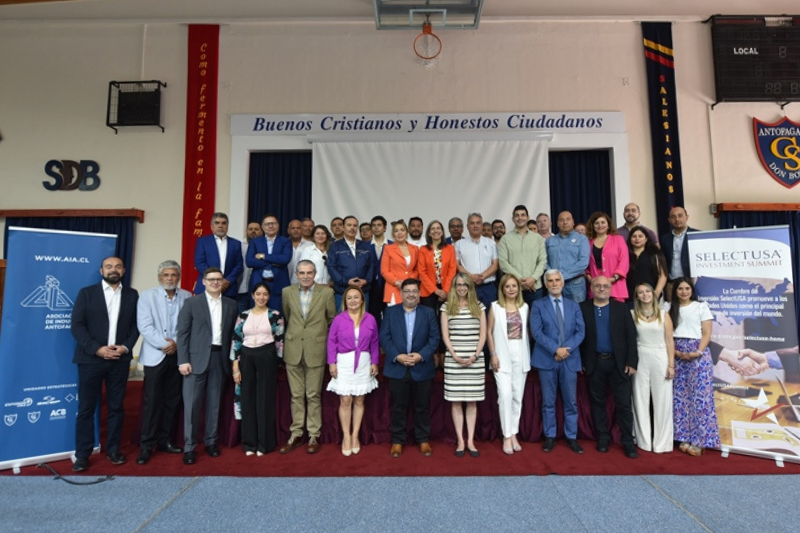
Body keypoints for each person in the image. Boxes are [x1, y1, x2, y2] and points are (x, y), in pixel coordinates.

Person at [70, 257, 139, 472]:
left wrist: (125, 347)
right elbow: (77, 325)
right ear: (101, 270)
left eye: (118, 266)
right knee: (86, 409)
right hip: (91, 359)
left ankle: (113, 450)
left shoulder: (132, 294)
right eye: (109, 266)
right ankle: (82, 454)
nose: (113, 270)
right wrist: (96, 349)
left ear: (124, 269)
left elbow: (136, 326)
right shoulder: (87, 293)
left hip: (118, 360)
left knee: (117, 408)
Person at [176, 267, 238, 465]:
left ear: (223, 282)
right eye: (211, 279)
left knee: (214, 403)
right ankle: (190, 447)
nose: (215, 282)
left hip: (220, 359)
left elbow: (233, 335)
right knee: (192, 406)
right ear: (203, 281)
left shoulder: (231, 304)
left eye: (218, 279)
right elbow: (183, 334)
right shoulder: (191, 303)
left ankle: (211, 442)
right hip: (195, 361)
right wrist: (183, 360)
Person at [136, 260, 192, 465]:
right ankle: (146, 445)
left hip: (177, 355)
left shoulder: (186, 296)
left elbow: (187, 324)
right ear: (160, 277)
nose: (170, 278)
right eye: (166, 275)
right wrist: (163, 344)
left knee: (172, 400)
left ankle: (165, 440)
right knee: (152, 402)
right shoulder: (147, 296)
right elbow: (144, 325)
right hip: (155, 355)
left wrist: (176, 344)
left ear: (178, 277)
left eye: (174, 275)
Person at [279, 260, 337, 455]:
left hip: (316, 349)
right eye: (302, 273)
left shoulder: (327, 293)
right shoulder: (287, 292)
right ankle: (295, 434)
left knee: (313, 395)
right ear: (296, 274)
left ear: (315, 274)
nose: (305, 276)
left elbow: (331, 320)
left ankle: (314, 434)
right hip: (293, 349)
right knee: (296, 395)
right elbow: (288, 316)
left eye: (309, 273)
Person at [580, 276, 639, 458]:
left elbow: (631, 337)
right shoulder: (583, 308)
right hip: (594, 362)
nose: (602, 288)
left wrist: (631, 362)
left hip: (619, 363)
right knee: (598, 403)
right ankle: (603, 438)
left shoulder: (621, 308)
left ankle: (628, 441)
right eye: (597, 285)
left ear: (611, 288)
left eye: (605, 286)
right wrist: (582, 361)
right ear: (591, 287)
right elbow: (580, 337)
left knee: (623, 405)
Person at [381, 278, 441, 458]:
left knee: (422, 406)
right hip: (397, 367)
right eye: (407, 291)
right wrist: (397, 356)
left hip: (421, 367)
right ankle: (397, 441)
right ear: (401, 293)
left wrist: (421, 355)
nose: (411, 294)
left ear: (419, 293)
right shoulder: (391, 312)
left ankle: (423, 439)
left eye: (414, 291)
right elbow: (384, 337)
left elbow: (434, 338)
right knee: (399, 407)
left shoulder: (428, 312)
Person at [530, 269, 585, 454]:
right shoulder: (538, 305)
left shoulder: (573, 305)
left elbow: (580, 331)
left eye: (557, 280)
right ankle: (550, 436)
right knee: (548, 402)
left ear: (562, 283)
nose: (554, 284)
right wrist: (555, 349)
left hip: (569, 359)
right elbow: (536, 332)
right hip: (547, 359)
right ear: (545, 284)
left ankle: (571, 437)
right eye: (550, 281)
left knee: (571, 402)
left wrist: (564, 350)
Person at [665, 277, 720, 456]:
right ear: (675, 291)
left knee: (700, 398)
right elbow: (665, 335)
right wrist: (677, 354)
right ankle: (683, 437)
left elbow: (707, 333)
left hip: (698, 353)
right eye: (680, 288)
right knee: (680, 397)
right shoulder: (667, 307)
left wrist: (698, 352)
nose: (683, 292)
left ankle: (700, 440)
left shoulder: (701, 307)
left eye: (687, 288)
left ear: (691, 290)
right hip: (676, 352)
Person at [231, 282, 285, 456]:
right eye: (258, 294)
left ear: (269, 297)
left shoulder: (275, 315)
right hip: (246, 357)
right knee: (247, 399)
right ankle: (249, 443)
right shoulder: (243, 316)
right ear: (252, 296)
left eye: (265, 294)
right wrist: (235, 366)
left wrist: (276, 363)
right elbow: (236, 340)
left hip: (267, 356)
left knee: (264, 400)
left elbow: (280, 341)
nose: (261, 297)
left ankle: (264, 444)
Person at [327, 287, 379, 456]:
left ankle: (355, 435)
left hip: (364, 362)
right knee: (345, 399)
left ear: (362, 300)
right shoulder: (338, 319)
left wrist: (375, 362)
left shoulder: (370, 319)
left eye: (356, 297)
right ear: (345, 301)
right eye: (349, 298)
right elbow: (331, 342)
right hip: (344, 362)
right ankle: (346, 436)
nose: (353, 300)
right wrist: (331, 363)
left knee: (359, 400)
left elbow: (375, 343)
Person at [440, 273, 487, 457]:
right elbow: (445, 335)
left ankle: (471, 441)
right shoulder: (446, 307)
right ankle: (460, 440)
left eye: (465, 285)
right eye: (458, 285)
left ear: (470, 287)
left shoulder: (479, 306)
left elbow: (483, 334)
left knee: (472, 402)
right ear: (454, 286)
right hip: (454, 360)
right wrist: (454, 355)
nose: (461, 288)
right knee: (456, 401)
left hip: (475, 360)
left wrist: (475, 355)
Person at [487, 274, 530, 455]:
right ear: (502, 289)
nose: (511, 289)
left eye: (514, 286)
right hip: (502, 356)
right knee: (504, 395)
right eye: (508, 286)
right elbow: (488, 332)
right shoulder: (495, 307)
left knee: (516, 397)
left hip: (520, 355)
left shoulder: (525, 307)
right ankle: (506, 435)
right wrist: (493, 354)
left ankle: (514, 433)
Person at [631, 283, 675, 454]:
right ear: (637, 296)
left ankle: (661, 443)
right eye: (640, 292)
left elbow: (670, 341)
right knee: (640, 399)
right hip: (640, 356)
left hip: (660, 356)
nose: (645, 294)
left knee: (662, 400)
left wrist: (671, 365)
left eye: (647, 291)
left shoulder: (664, 315)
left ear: (654, 293)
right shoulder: (632, 314)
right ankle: (643, 441)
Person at [498, 204, 547, 306]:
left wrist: (533, 278)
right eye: (517, 215)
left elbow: (542, 261)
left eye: (523, 215)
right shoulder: (505, 239)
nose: (520, 218)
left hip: (535, 288)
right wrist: (520, 280)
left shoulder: (537, 238)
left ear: (528, 217)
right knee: (515, 321)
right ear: (513, 218)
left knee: (535, 321)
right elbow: (503, 262)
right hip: (514, 289)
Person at [247, 214, 292, 313]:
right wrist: (273, 262)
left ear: (278, 225)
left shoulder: (285, 241)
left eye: (273, 223)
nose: (270, 226)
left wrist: (263, 256)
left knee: (278, 317)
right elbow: (249, 261)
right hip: (258, 282)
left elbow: (285, 259)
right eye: (267, 224)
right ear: (262, 227)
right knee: (256, 314)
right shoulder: (255, 242)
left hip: (279, 283)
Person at [327, 215, 373, 311]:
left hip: (363, 291)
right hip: (342, 292)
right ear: (343, 227)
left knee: (362, 322)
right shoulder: (335, 246)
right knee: (343, 322)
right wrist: (346, 282)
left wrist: (366, 280)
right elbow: (331, 267)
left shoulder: (365, 246)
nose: (352, 228)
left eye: (355, 225)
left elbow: (371, 265)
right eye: (349, 225)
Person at [193, 212, 244, 298]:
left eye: (224, 223)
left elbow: (239, 265)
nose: (220, 226)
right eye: (217, 223)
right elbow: (199, 263)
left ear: (227, 226)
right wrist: (215, 279)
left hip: (228, 288)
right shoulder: (203, 241)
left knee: (228, 311)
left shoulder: (236, 243)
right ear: (211, 226)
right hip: (206, 287)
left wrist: (227, 281)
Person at [455, 212, 499, 310]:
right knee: (470, 318)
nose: (475, 225)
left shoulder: (491, 243)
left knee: (489, 319)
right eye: (472, 223)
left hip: (488, 288)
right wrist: (471, 277)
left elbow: (495, 265)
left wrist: (482, 276)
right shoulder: (459, 244)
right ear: (467, 226)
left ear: (482, 225)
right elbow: (457, 265)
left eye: (478, 223)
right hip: (467, 287)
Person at [545, 211, 590, 303]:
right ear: (557, 223)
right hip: (554, 284)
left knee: (577, 313)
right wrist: (554, 276)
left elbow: (583, 262)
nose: (565, 222)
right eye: (562, 220)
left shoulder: (582, 239)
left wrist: (562, 276)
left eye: (568, 219)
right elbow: (544, 261)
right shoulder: (549, 241)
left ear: (573, 222)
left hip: (575, 284)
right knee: (556, 313)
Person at [585, 211, 629, 301]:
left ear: (608, 225)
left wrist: (614, 278)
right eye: (596, 223)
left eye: (603, 222)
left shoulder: (618, 239)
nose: (600, 225)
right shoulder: (587, 243)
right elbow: (584, 264)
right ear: (592, 226)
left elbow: (624, 260)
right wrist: (590, 279)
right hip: (595, 286)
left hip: (615, 285)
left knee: (616, 313)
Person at [418, 220, 456, 312]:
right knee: (429, 320)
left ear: (442, 232)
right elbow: (422, 273)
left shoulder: (450, 249)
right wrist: (436, 291)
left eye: (438, 228)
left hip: (446, 290)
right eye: (433, 229)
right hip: (428, 291)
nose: (435, 231)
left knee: (444, 320)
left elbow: (452, 271)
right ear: (429, 233)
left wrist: (445, 291)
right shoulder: (423, 250)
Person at [381, 220, 419, 306]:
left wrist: (409, 282)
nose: (399, 233)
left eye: (402, 230)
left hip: (411, 289)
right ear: (393, 234)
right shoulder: (388, 248)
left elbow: (417, 270)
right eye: (396, 231)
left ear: (407, 232)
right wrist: (396, 282)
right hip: (394, 289)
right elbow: (384, 271)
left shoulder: (415, 249)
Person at [627, 226, 667, 303]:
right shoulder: (625, 255)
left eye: (640, 236)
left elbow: (663, 275)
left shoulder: (654, 254)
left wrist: (657, 292)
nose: (637, 239)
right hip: (630, 297)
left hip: (650, 295)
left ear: (646, 239)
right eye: (634, 236)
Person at [661, 207, 697, 284]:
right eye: (673, 217)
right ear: (669, 220)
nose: (677, 219)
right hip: (672, 282)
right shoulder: (665, 239)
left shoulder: (696, 235)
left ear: (687, 217)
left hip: (692, 281)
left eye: (680, 216)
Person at [368, 215, 392, 328]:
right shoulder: (365, 246)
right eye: (374, 225)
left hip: (389, 285)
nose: (376, 228)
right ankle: (375, 342)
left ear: (385, 228)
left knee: (389, 315)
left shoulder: (393, 245)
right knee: (373, 314)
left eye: (379, 225)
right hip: (370, 286)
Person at [237, 221, 263, 313]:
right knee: (241, 320)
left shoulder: (265, 246)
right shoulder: (239, 246)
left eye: (256, 229)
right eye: (250, 229)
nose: (253, 231)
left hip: (260, 291)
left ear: (261, 231)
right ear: (246, 231)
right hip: (241, 290)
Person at [287, 219, 312, 285]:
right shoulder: (282, 244)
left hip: (303, 284)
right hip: (283, 281)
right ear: (288, 230)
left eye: (298, 228)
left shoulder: (310, 245)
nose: (296, 230)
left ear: (302, 230)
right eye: (293, 228)